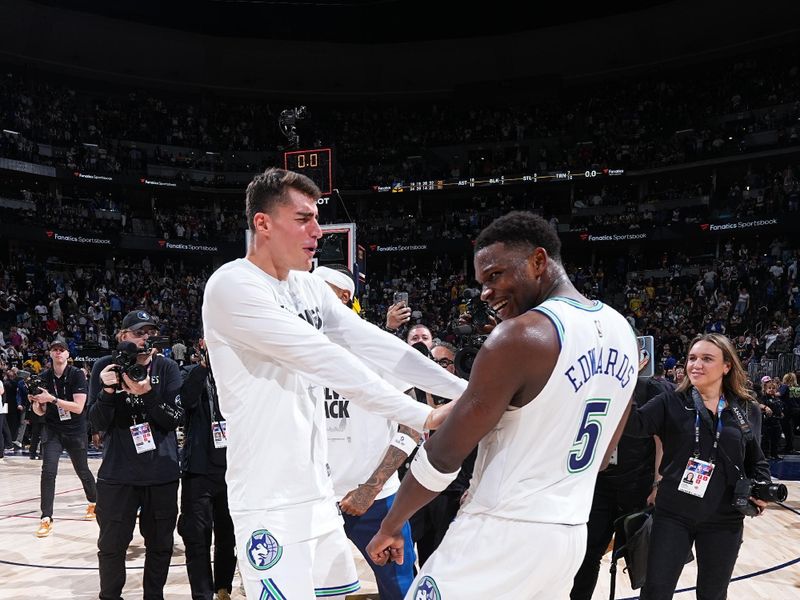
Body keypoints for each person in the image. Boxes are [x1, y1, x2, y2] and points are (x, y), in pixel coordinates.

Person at [201, 167, 466, 599]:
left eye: (317, 218)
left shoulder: (308, 288)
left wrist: (466, 392)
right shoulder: (232, 285)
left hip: (318, 493)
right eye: (303, 218)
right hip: (271, 500)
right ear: (262, 223)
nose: (318, 230)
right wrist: (425, 414)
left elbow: (377, 344)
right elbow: (327, 360)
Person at [367, 211, 638, 598]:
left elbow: (443, 455)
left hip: (501, 530)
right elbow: (609, 441)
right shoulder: (621, 330)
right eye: (482, 283)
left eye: (495, 276)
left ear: (539, 261)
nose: (486, 293)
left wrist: (392, 525)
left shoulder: (520, 335)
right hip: (568, 534)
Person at [623, 333, 772, 600]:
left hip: (724, 518)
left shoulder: (747, 408)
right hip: (673, 515)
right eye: (692, 358)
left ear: (727, 366)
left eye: (706, 359)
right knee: (656, 591)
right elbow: (636, 425)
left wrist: (762, 491)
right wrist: (622, 381)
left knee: (713, 595)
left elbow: (756, 458)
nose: (696, 365)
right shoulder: (671, 401)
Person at [315, 264, 419, 600]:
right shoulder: (298, 351)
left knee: (399, 589)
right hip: (315, 499)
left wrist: (371, 486)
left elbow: (414, 422)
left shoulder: (376, 347)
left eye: (318, 290)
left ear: (344, 296)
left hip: (376, 498)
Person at [88, 310, 184, 600]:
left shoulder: (166, 368)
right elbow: (95, 423)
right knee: (112, 546)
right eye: (139, 332)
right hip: (118, 475)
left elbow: (174, 418)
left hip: (161, 474)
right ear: (123, 337)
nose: (145, 338)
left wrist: (148, 393)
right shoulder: (105, 367)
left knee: (160, 545)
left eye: (149, 333)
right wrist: (107, 391)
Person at [178, 337, 236, 600]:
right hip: (198, 470)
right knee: (197, 537)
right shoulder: (190, 373)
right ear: (202, 345)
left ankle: (223, 587)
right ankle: (202, 594)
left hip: (232, 469)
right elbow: (186, 402)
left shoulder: (236, 374)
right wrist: (203, 367)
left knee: (228, 535)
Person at [28, 340, 97, 538]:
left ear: (68, 354)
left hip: (75, 430)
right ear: (50, 354)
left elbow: (78, 407)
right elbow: (40, 413)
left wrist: (52, 399)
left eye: (61, 350)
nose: (58, 353)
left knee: (82, 470)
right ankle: (46, 517)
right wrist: (36, 402)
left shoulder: (77, 375)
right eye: (54, 350)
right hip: (52, 430)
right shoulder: (43, 377)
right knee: (48, 472)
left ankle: (94, 502)